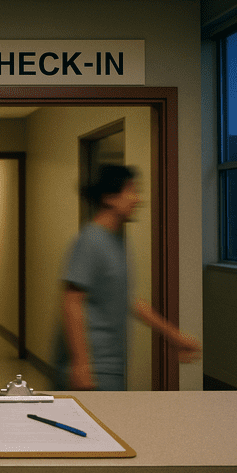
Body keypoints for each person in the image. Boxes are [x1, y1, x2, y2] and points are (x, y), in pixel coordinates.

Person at [53, 165, 201, 391]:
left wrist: (174, 336)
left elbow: (128, 300)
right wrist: (81, 364)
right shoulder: (90, 240)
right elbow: (71, 302)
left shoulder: (118, 242)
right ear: (110, 198)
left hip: (112, 367)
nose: (138, 199)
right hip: (93, 368)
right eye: (131, 190)